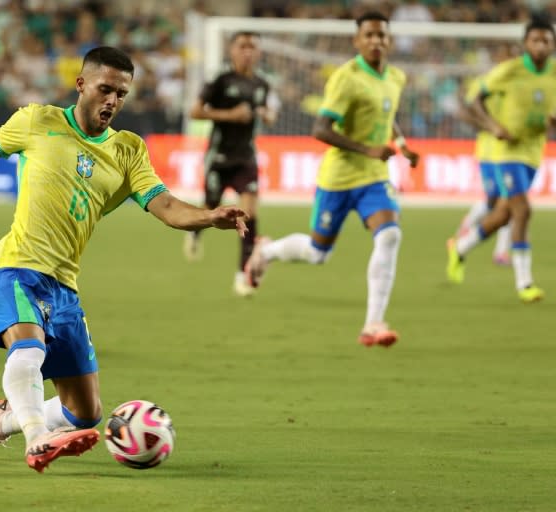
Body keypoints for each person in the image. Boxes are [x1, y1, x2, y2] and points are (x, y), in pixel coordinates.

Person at [0, 47, 248, 472]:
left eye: (121, 94)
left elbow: (163, 205)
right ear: (81, 84)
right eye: (105, 89)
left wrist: (208, 216)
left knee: (86, 413)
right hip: (14, 266)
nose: (113, 100)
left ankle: (4, 423)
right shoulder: (39, 120)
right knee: (28, 349)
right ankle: (37, 439)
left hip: (64, 285)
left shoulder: (128, 150)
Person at [244, 12, 419, 347]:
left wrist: (403, 145)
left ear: (389, 40)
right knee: (317, 252)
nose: (375, 41)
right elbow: (320, 129)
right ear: (357, 41)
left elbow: (387, 114)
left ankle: (373, 324)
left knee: (390, 235)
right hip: (338, 179)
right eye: (368, 35)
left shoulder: (395, 77)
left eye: (381, 35)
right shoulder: (346, 78)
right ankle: (267, 252)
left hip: (375, 178)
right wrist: (366, 149)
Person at [446, 17, 556, 303]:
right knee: (523, 210)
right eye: (536, 40)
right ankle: (524, 282)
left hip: (533, 151)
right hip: (505, 152)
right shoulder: (509, 71)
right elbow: (473, 100)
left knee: (504, 213)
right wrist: (492, 126)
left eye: (547, 40)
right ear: (526, 43)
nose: (541, 46)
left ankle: (461, 247)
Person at [182, 31, 277, 297]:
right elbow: (195, 111)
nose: (247, 51)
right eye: (242, 46)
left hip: (246, 157)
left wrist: (267, 114)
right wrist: (231, 115)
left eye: (252, 47)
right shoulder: (220, 81)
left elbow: (267, 110)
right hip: (219, 157)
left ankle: (242, 276)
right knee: (210, 208)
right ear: (232, 51)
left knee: (249, 215)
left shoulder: (262, 84)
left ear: (258, 53)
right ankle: (195, 233)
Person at [453, 76, 512, 266]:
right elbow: (465, 112)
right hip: (489, 154)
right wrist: (489, 125)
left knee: (505, 201)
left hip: (507, 154)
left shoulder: (515, 87)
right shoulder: (484, 85)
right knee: (498, 201)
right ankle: (467, 229)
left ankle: (499, 250)